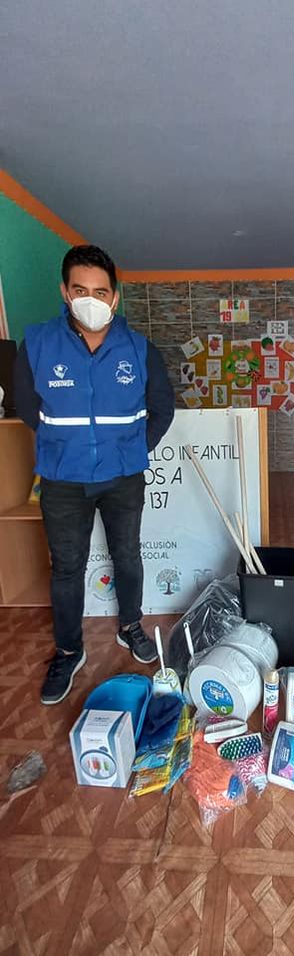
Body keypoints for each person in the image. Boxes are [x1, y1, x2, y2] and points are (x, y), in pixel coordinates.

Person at [15, 245, 175, 704]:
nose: (91, 299)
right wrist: (67, 448)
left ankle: (130, 626)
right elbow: (27, 407)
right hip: (62, 479)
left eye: (100, 292)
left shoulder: (139, 349)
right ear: (65, 292)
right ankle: (69, 650)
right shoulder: (37, 344)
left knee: (128, 555)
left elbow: (162, 408)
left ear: (114, 297)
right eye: (80, 290)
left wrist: (132, 451)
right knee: (67, 567)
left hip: (122, 477)